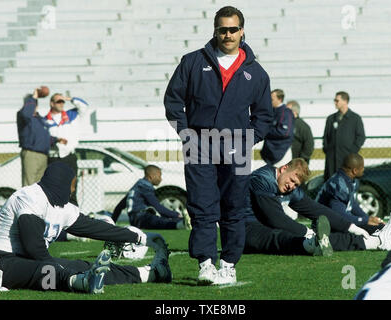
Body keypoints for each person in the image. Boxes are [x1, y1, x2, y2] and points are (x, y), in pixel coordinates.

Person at [164, 6, 273, 285]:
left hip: (236, 147)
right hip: (199, 143)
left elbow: (263, 116)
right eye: (223, 29)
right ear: (215, 31)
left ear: (242, 31)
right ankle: (205, 263)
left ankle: (228, 263)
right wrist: (186, 134)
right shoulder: (192, 62)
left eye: (233, 29)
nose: (228, 35)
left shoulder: (256, 73)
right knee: (202, 204)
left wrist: (247, 138)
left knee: (234, 206)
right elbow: (174, 101)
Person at [0, 162, 172, 293]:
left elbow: (95, 228)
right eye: (72, 184)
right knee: (48, 271)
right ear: (61, 182)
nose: (72, 190)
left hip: (31, 260)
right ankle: (82, 283)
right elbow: (33, 247)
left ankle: (150, 274)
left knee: (84, 265)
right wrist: (63, 270)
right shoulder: (29, 197)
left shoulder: (62, 206)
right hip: (3, 261)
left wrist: (140, 238)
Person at [248, 158, 391, 252]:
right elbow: (275, 219)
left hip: (263, 228)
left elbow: (316, 209)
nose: (292, 186)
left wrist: (353, 228)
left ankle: (377, 232)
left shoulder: (287, 186)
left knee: (314, 235)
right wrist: (309, 233)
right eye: (292, 180)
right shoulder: (262, 179)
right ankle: (374, 242)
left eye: (296, 184)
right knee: (300, 237)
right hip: (246, 231)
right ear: (284, 169)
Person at [316, 153, 384, 234]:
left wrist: (369, 218)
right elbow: (340, 217)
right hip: (327, 227)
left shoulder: (350, 180)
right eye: (362, 167)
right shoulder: (338, 186)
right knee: (375, 231)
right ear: (355, 170)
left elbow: (352, 205)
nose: (363, 169)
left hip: (342, 222)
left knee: (380, 227)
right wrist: (365, 220)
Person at [111, 165, 191, 230]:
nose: (161, 179)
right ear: (152, 176)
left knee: (160, 219)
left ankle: (183, 222)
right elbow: (157, 207)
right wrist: (177, 214)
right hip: (141, 218)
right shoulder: (145, 187)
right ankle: (181, 225)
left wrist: (112, 223)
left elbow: (119, 207)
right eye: (159, 176)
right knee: (159, 221)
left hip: (136, 219)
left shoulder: (137, 187)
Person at [45, 93, 89, 204]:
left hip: (69, 157)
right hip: (53, 158)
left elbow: (84, 106)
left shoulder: (71, 115)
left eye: (62, 101)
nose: (61, 104)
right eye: (58, 101)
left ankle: (73, 214)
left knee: (72, 187)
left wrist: (69, 99)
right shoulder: (45, 120)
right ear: (52, 103)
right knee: (54, 188)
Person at [322, 91, 365, 181]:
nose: (335, 103)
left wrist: (352, 152)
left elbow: (361, 137)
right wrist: (327, 149)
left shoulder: (355, 118)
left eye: (337, 100)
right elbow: (326, 137)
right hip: (332, 160)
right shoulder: (331, 118)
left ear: (345, 101)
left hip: (347, 160)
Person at [16, 88, 54, 186]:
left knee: (40, 186)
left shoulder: (39, 119)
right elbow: (26, 113)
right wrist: (34, 97)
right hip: (32, 153)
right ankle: (27, 202)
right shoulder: (24, 116)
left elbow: (42, 136)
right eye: (32, 103)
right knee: (29, 185)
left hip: (43, 154)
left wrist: (56, 140)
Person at [260, 89, 294, 167]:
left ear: (280, 99)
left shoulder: (286, 112)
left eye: (272, 100)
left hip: (281, 152)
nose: (269, 102)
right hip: (269, 152)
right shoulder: (270, 111)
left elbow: (284, 132)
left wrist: (266, 131)